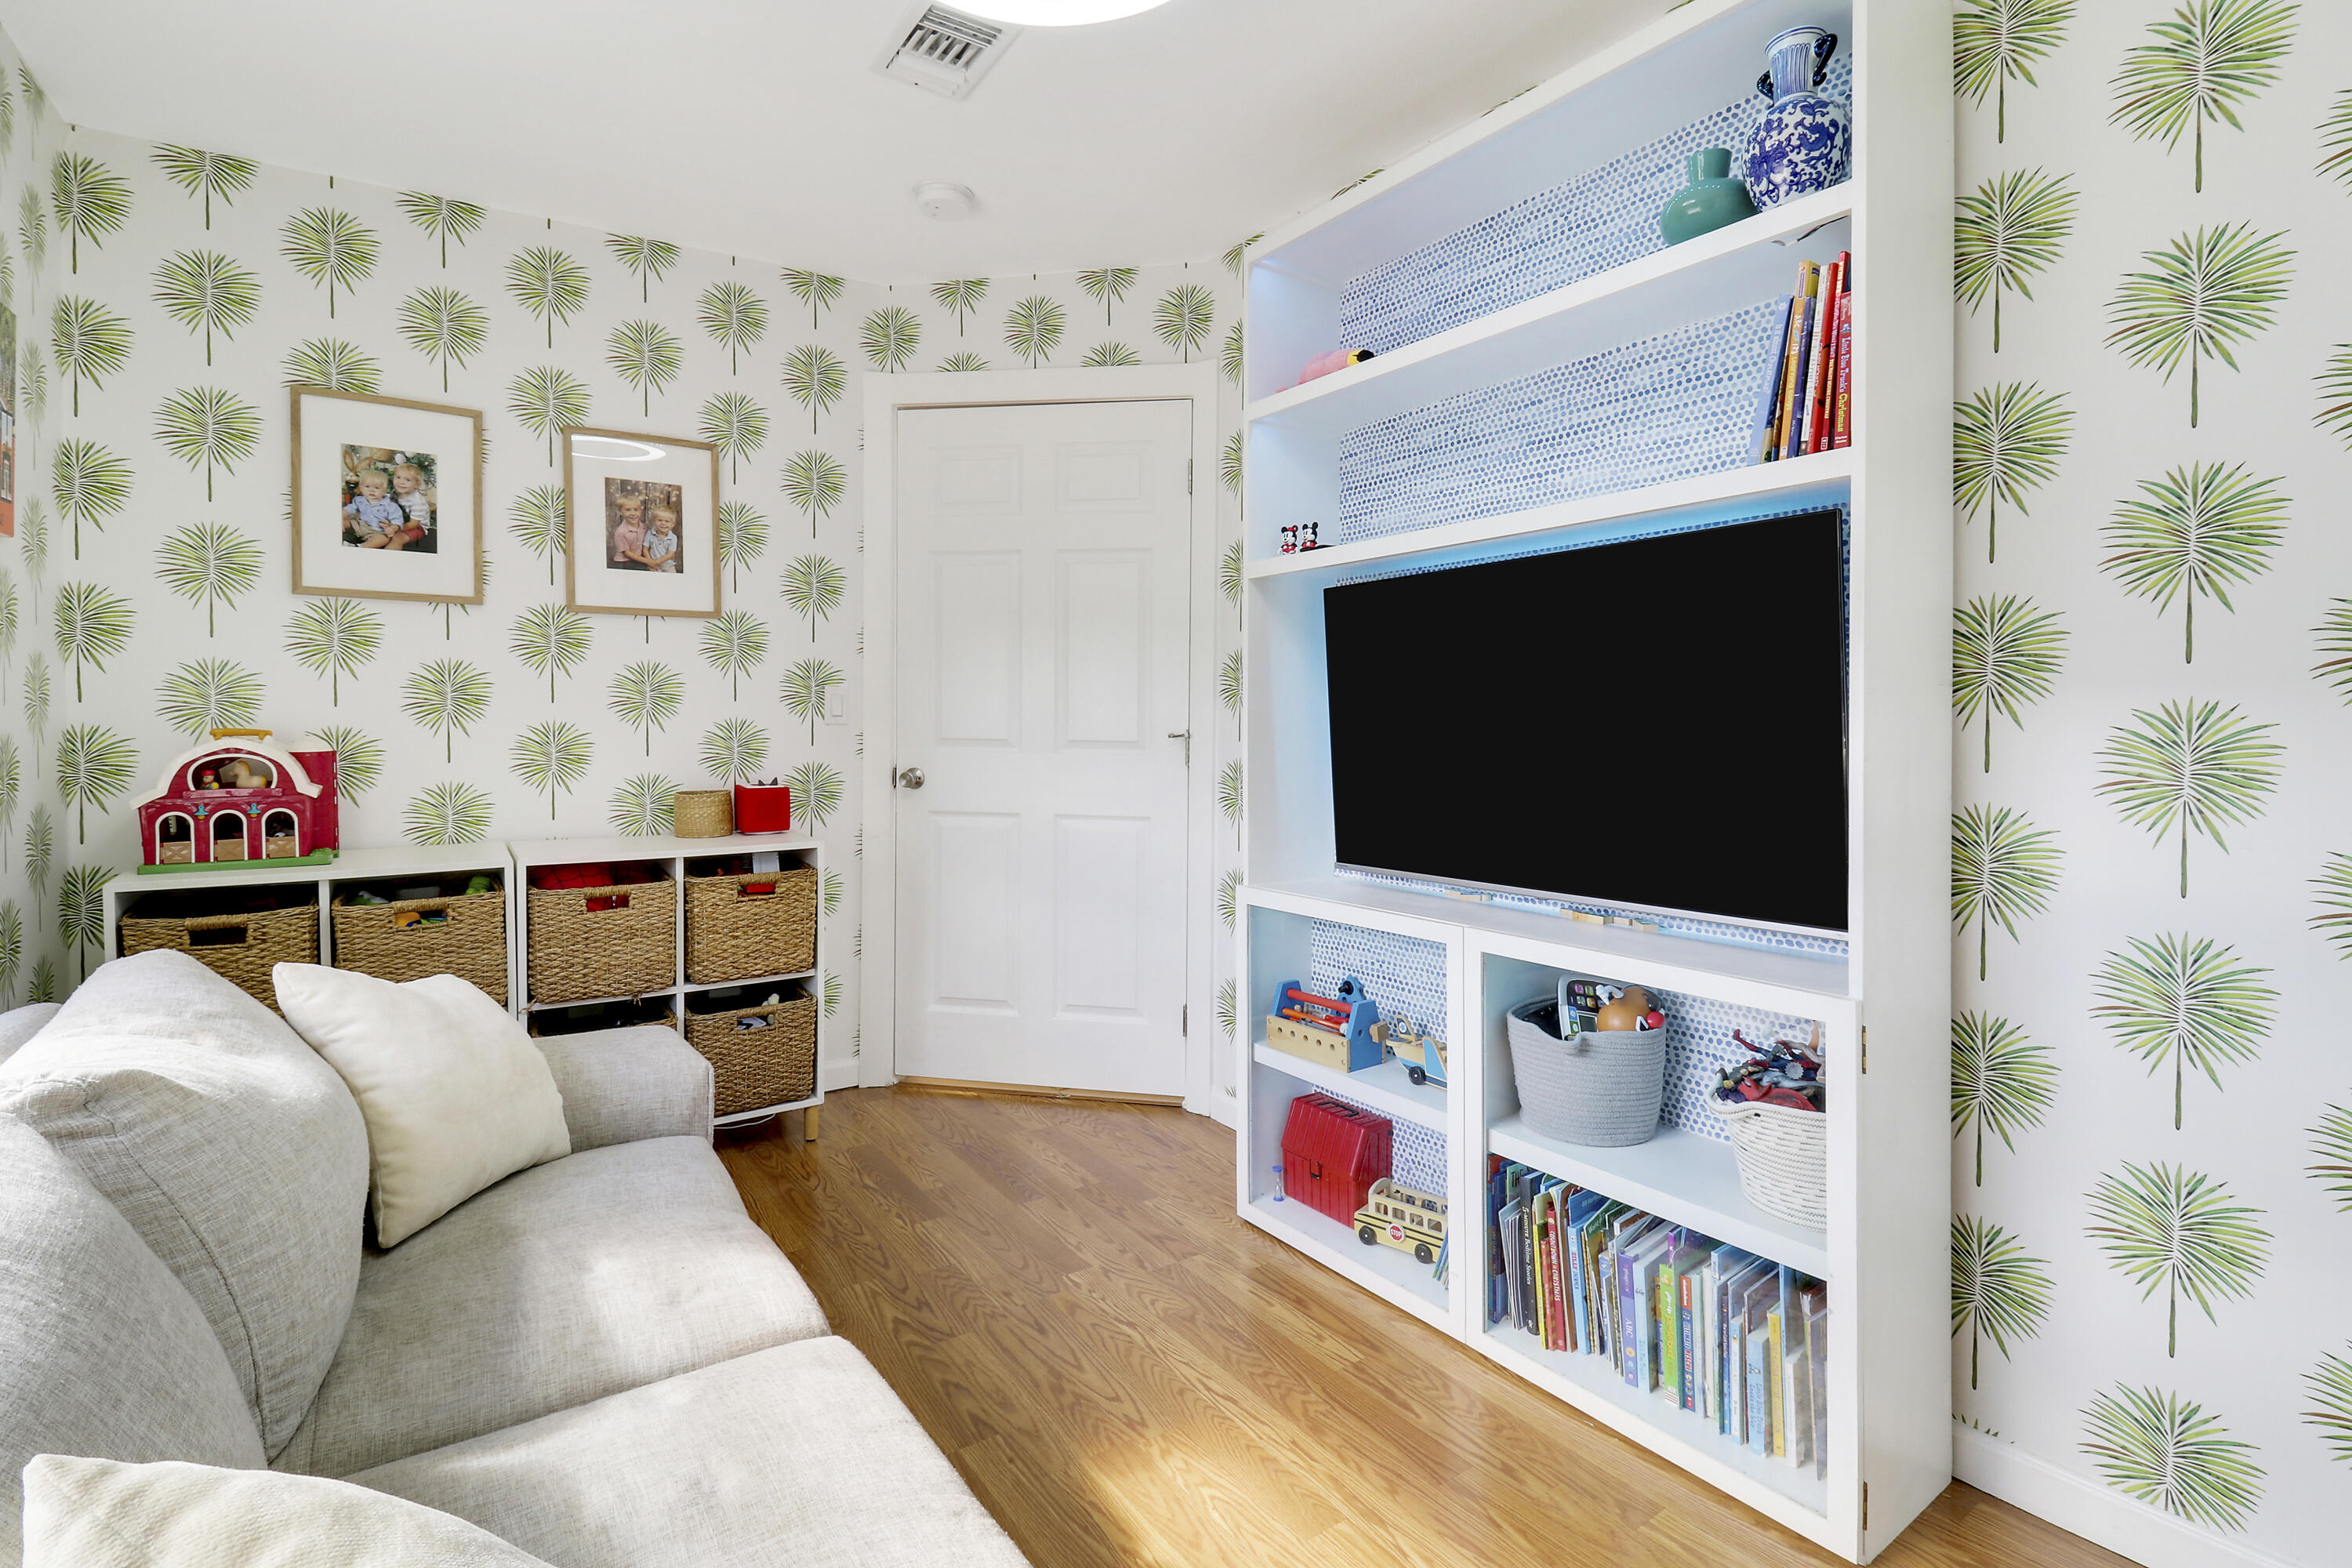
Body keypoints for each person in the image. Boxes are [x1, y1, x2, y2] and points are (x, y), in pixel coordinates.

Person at [344, 470, 408, 548]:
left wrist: (392, 528)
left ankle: (360, 547)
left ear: (385, 491)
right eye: (367, 487)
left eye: (377, 488)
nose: (371, 490)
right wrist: (342, 515)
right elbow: (348, 509)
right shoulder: (359, 500)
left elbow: (397, 521)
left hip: (376, 530)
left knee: (383, 539)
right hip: (359, 525)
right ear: (361, 488)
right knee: (342, 523)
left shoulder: (390, 505)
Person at [387, 462, 433, 550]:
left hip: (417, 526)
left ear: (417, 485)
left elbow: (413, 524)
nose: (401, 482)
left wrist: (395, 528)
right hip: (399, 521)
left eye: (407, 480)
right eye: (398, 477)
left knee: (398, 538)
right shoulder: (395, 493)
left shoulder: (418, 501)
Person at [633, 503, 681, 572]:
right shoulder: (650, 533)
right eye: (660, 520)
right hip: (653, 566)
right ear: (655, 521)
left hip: (668, 566)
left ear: (672, 524)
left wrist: (656, 562)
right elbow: (645, 549)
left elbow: (670, 554)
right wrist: (650, 562)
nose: (663, 523)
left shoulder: (673, 538)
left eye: (667, 521)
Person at [608, 493, 647, 570]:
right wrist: (648, 562)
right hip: (624, 562)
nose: (632, 514)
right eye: (628, 510)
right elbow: (627, 553)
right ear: (620, 512)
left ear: (640, 511)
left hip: (639, 559)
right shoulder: (620, 532)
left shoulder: (644, 527)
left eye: (636, 510)